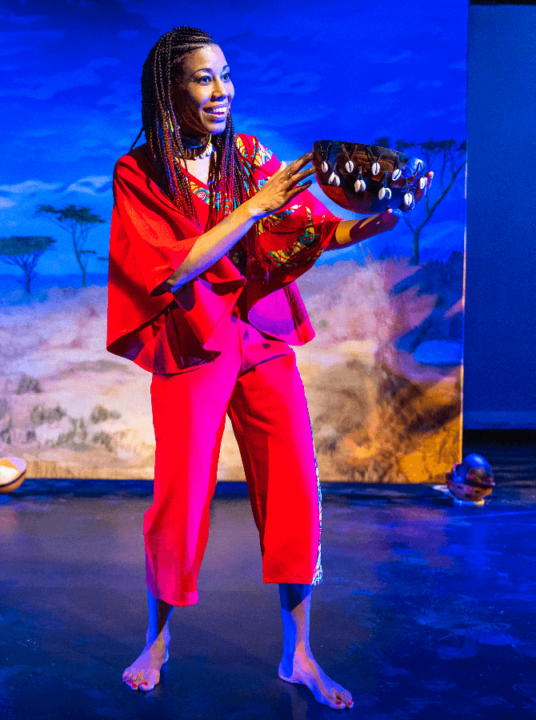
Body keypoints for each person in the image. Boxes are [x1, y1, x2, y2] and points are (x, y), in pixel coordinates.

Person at [108, 27, 432, 709]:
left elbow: (311, 227)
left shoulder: (250, 155)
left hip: (261, 336)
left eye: (226, 75)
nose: (221, 91)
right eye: (203, 78)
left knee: (293, 486)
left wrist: (362, 226)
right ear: (169, 89)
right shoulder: (139, 173)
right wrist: (254, 207)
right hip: (196, 342)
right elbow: (172, 265)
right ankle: (158, 639)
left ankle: (301, 654)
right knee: (181, 493)